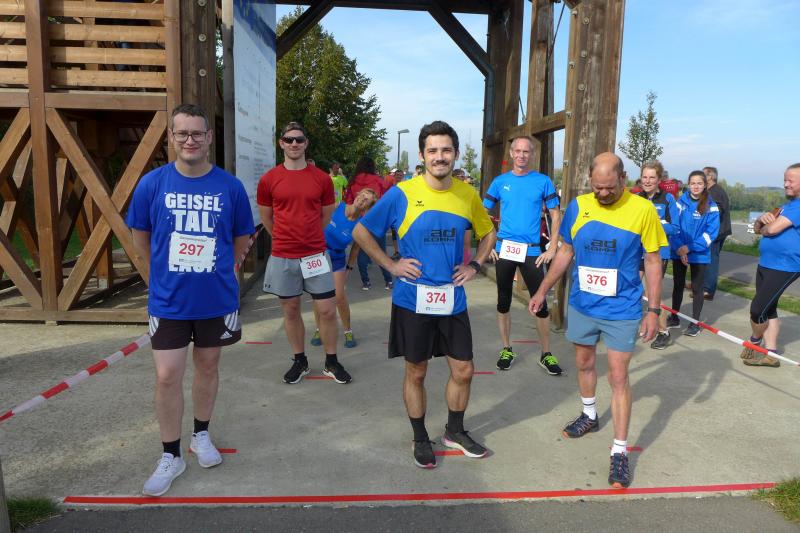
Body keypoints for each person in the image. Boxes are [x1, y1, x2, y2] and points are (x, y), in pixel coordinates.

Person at [127, 104, 255, 496]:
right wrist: (158, 275)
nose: (190, 140)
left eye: (197, 133)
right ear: (171, 137)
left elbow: (242, 237)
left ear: (209, 138)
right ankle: (171, 454)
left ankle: (201, 435)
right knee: (167, 375)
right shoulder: (152, 184)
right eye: (182, 133)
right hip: (169, 301)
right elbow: (140, 235)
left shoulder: (229, 187)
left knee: (208, 367)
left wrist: (227, 267)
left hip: (216, 300)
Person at [353, 120, 497, 469]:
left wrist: (475, 264)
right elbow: (361, 231)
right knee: (416, 371)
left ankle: (454, 431)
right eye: (433, 150)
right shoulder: (401, 193)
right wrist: (391, 264)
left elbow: (489, 232)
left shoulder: (467, 195)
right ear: (422, 155)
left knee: (464, 369)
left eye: (446, 150)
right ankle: (420, 437)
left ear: (455, 154)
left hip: (452, 298)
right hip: (412, 299)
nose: (439, 156)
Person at [528, 152, 667, 489]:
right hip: (583, 305)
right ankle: (589, 414)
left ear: (623, 179)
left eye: (610, 187)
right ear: (590, 180)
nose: (603, 193)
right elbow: (565, 252)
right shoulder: (578, 206)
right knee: (585, 363)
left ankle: (619, 450)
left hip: (622, 309)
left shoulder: (643, 210)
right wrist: (543, 289)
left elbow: (652, 261)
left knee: (618, 376)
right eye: (597, 187)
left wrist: (654, 310)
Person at [258, 122, 351, 384]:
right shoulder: (269, 179)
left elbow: (326, 215)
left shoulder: (321, 178)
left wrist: (308, 237)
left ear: (306, 143)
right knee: (291, 310)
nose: (294, 144)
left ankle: (331, 361)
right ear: (281, 143)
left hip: (315, 255)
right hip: (283, 255)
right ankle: (300, 361)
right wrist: (285, 238)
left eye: (299, 139)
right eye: (289, 140)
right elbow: (266, 217)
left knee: (327, 310)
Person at [482, 136, 563, 374]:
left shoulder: (543, 181)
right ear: (511, 153)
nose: (521, 155)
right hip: (504, 249)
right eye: (517, 151)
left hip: (532, 251)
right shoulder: (500, 182)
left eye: (526, 152)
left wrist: (553, 247)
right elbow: (481, 212)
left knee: (541, 304)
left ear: (532, 154)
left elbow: (556, 214)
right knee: (503, 301)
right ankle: (506, 349)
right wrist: (489, 243)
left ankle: (546, 354)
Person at [740, 163, 800, 367]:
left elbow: (771, 230)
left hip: (785, 266)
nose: (785, 184)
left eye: (791, 180)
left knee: (758, 310)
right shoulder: (785, 206)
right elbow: (758, 228)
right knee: (769, 309)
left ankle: (755, 341)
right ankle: (771, 354)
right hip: (767, 262)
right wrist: (760, 220)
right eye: (784, 180)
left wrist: (765, 226)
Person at [309, 187, 379, 349]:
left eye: (366, 200)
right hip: (318, 255)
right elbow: (314, 220)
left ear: (367, 207)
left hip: (337, 259)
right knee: (318, 295)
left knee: (339, 296)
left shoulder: (360, 225)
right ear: (356, 195)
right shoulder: (336, 206)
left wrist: (349, 268)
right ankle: (319, 329)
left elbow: (355, 249)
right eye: (362, 195)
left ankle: (348, 331)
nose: (362, 199)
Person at [665, 171, 720, 337]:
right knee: (678, 285)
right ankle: (674, 317)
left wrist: (689, 248)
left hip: (699, 253)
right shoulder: (679, 203)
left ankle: (695, 323)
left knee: (697, 288)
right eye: (693, 183)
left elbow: (711, 233)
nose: (696, 186)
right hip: (678, 250)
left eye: (699, 183)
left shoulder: (711, 206)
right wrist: (679, 247)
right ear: (688, 185)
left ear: (705, 185)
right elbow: (674, 227)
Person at [635, 160, 681, 350]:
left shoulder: (667, 199)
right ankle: (631, 324)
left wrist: (655, 224)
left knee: (651, 293)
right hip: (637, 251)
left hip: (657, 253)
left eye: (652, 177)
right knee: (630, 288)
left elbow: (675, 228)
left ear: (659, 179)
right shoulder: (636, 198)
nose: (647, 181)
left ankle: (664, 332)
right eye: (644, 177)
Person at [345, 157, 393, 290]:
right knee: (380, 252)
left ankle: (366, 282)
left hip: (359, 222)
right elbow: (386, 200)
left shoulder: (353, 181)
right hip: (377, 221)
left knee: (359, 251)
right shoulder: (379, 181)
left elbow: (348, 201)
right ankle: (388, 281)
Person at [702, 166, 731, 300]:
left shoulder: (716, 192)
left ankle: (708, 290)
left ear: (710, 177)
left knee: (711, 260)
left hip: (716, 232)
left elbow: (716, 212)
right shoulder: (710, 190)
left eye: (703, 174)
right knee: (705, 259)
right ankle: (702, 285)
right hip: (713, 231)